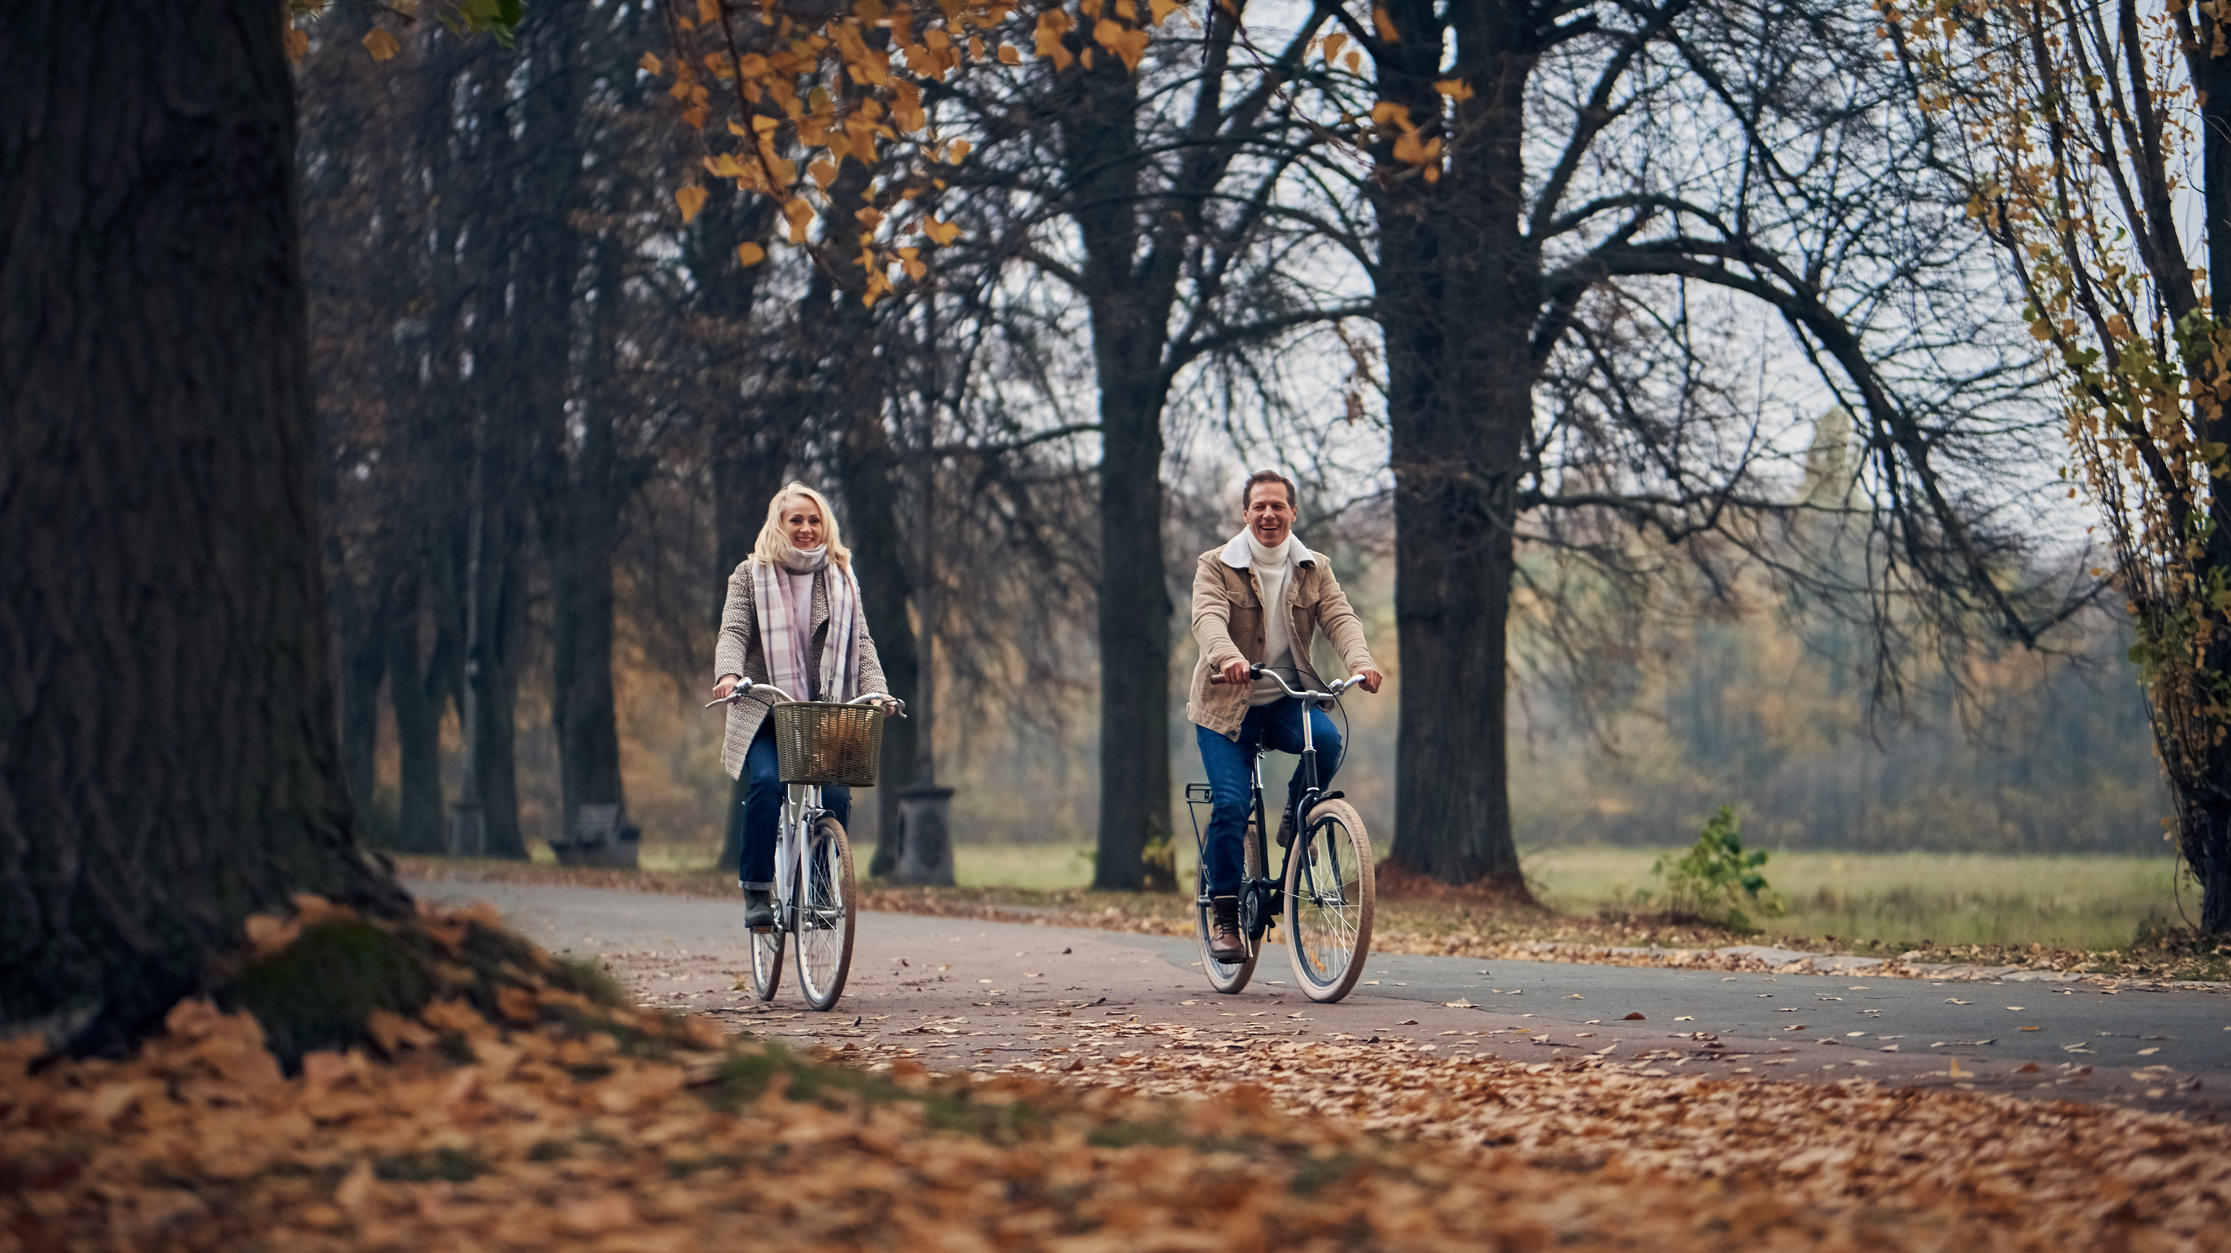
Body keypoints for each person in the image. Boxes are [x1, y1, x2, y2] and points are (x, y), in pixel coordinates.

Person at [1187, 470, 1383, 963]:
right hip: (1225, 708)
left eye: (1279, 506)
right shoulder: (1216, 565)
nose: (1269, 515)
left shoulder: (1314, 567)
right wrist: (1225, 656)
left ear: (1293, 512)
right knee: (1231, 806)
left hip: (1283, 700)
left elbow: (1340, 617)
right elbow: (1206, 617)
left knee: (1330, 740)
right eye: (1260, 507)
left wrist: (1360, 660)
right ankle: (1226, 919)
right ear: (1246, 513)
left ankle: (1297, 824)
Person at [712, 483, 889, 929]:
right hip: (766, 708)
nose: (806, 529)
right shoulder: (750, 574)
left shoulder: (841, 578)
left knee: (834, 794)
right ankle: (756, 890)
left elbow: (862, 644)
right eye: (796, 520)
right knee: (767, 784)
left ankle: (824, 890)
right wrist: (728, 675)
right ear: (779, 524)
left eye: (814, 520)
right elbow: (733, 630)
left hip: (823, 712)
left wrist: (878, 690)